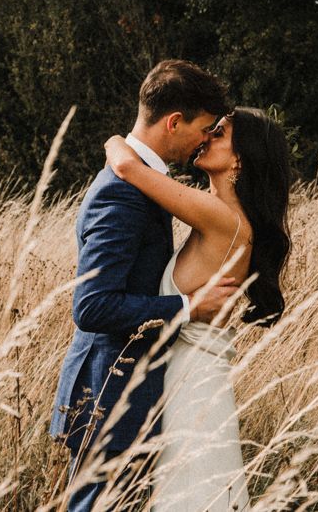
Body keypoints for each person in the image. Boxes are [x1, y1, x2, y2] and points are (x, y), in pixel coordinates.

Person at [50, 59, 236, 512]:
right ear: (174, 122)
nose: (205, 141)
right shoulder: (121, 192)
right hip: (108, 395)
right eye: (205, 128)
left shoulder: (138, 178)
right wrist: (189, 307)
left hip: (125, 395)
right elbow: (92, 306)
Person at [104, 106, 292, 511]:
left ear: (240, 158)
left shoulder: (223, 218)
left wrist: (114, 139)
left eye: (219, 133)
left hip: (191, 386)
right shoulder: (221, 214)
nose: (206, 136)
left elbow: (126, 166)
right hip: (193, 379)